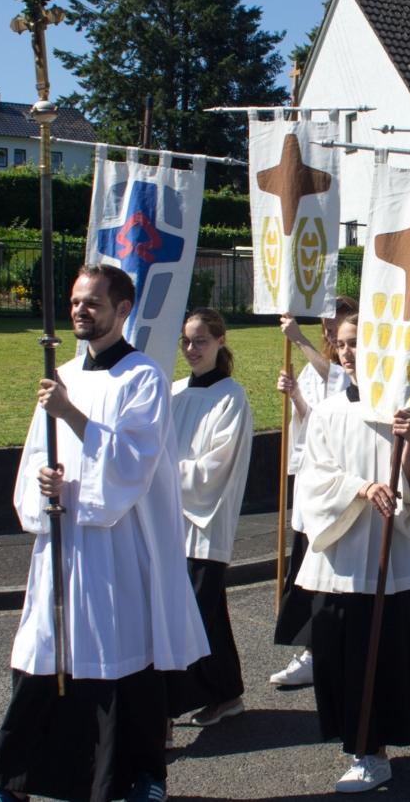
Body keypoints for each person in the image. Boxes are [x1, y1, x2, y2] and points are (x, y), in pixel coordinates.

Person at [0, 265, 209, 802]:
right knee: (42, 652)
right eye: (75, 301)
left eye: (92, 303)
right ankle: (10, 784)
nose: (79, 310)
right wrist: (45, 484)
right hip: (64, 542)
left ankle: (143, 779)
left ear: (123, 310)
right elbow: (36, 453)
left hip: (117, 549)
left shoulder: (143, 378)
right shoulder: (63, 376)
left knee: (124, 660)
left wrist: (69, 412)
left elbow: (133, 463)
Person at [294, 314, 410, 794]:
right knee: (341, 656)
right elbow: (313, 478)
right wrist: (360, 487)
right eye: (342, 344)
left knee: (386, 656)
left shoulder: (404, 411)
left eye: (357, 343)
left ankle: (374, 751)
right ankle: (356, 744)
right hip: (341, 557)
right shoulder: (327, 412)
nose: (348, 352)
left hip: (390, 557)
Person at [169, 308, 254, 730]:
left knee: (193, 618)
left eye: (200, 341)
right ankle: (226, 693)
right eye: (186, 341)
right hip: (168, 522)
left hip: (205, 521)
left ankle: (171, 709)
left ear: (220, 341)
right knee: (206, 616)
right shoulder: (172, 392)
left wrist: (162, 473)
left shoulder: (231, 398)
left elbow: (214, 471)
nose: (191, 349)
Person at [271, 297, 359, 688]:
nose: (329, 333)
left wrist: (299, 339)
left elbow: (338, 381)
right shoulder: (314, 366)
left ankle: (326, 648)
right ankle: (312, 648)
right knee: (306, 568)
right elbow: (310, 419)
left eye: (336, 326)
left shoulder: (343, 370)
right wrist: (294, 395)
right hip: (313, 479)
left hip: (342, 484)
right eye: (326, 326)